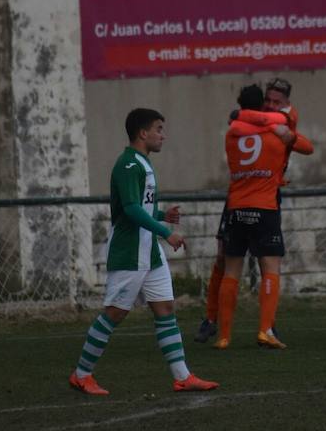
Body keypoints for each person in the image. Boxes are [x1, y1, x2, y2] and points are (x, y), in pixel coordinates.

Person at [69, 108, 218, 395]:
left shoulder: (141, 163)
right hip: (130, 252)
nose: (163, 135)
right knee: (113, 313)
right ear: (142, 133)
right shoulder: (128, 165)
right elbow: (131, 209)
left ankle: (182, 376)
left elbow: (141, 205)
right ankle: (81, 374)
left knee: (165, 308)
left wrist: (163, 215)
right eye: (159, 129)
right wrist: (166, 231)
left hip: (149, 251)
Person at [196, 78, 312, 343]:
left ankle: (253, 327)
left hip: (256, 196)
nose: (271, 105)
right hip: (248, 197)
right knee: (226, 258)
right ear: (260, 104)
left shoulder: (246, 128)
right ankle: (215, 320)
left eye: (276, 102)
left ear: (285, 105)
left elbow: (302, 144)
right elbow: (307, 147)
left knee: (243, 262)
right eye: (267, 101)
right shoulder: (269, 127)